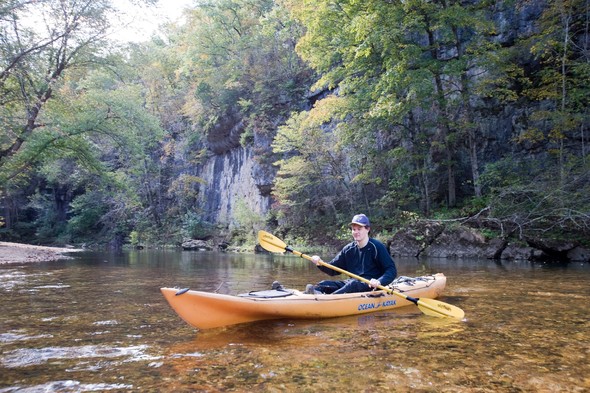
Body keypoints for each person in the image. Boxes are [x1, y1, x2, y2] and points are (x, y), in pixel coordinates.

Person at [305, 214, 397, 294]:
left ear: (367, 229)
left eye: (359, 229)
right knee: (323, 284)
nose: (356, 232)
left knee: (353, 285)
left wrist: (379, 281)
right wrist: (320, 263)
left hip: (371, 285)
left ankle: (328, 300)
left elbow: (391, 270)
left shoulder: (377, 247)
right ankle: (314, 294)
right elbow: (333, 269)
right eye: (354, 229)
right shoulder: (348, 249)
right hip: (352, 283)